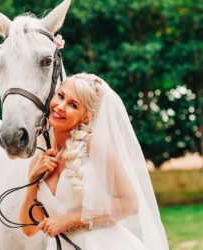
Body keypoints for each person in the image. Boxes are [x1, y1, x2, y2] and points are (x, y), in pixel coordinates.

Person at [19, 73, 169, 250]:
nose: (60, 106)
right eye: (60, 96)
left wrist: (69, 220)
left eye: (73, 105)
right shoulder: (41, 158)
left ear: (86, 117)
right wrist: (32, 181)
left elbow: (129, 204)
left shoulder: (93, 145)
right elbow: (29, 229)